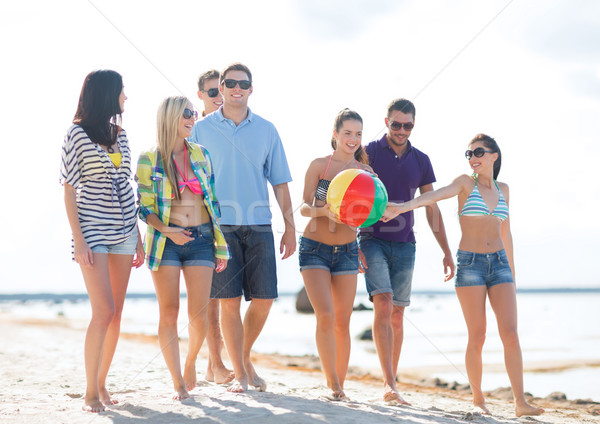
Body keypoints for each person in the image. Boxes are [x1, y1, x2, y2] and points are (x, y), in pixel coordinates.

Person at [382, 134, 544, 418]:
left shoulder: (504, 189)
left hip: (500, 264)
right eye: (468, 154)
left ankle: (520, 402)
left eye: (478, 152)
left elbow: (506, 233)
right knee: (478, 335)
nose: (472, 158)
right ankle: (479, 399)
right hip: (470, 264)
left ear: (494, 155)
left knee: (511, 333)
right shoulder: (464, 183)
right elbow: (434, 195)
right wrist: (402, 207)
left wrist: (513, 276)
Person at [189, 62, 296, 393]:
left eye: (243, 84)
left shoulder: (266, 129)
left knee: (264, 299)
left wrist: (290, 226)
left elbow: (279, 182)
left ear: (251, 89)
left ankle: (242, 359)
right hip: (219, 228)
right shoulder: (201, 129)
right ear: (220, 88)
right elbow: (188, 179)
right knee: (229, 301)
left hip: (260, 225)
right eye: (230, 83)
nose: (237, 88)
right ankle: (240, 373)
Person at [358, 98, 455, 404]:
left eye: (407, 125)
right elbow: (348, 194)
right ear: (386, 122)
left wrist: (446, 251)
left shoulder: (421, 160)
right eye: (396, 124)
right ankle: (388, 384)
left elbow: (431, 207)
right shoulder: (369, 152)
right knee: (383, 305)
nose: (401, 130)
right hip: (371, 239)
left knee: (398, 315)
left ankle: (392, 380)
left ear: (414, 124)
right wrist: (351, 241)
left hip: (406, 245)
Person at [135, 96, 230, 400]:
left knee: (199, 314)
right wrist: (167, 231)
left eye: (193, 113)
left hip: (201, 238)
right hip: (166, 242)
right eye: (187, 113)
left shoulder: (201, 155)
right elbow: (144, 208)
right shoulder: (149, 159)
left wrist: (219, 244)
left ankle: (190, 363)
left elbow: (212, 203)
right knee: (170, 312)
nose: (192, 118)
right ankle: (177, 381)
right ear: (171, 117)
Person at [60, 69, 144, 413]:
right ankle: (89, 392)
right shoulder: (76, 134)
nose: (126, 97)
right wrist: (78, 239)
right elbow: (68, 189)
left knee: (117, 313)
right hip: (92, 230)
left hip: (124, 229)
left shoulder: (121, 136)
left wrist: (137, 236)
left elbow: (127, 187)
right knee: (103, 310)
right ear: (107, 94)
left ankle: (102, 384)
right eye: (122, 91)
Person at [299, 109, 372, 400]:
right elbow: (304, 207)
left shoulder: (365, 174)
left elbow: (371, 214)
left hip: (347, 251)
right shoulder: (319, 166)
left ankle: (339, 384)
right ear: (335, 134)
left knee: (343, 320)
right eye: (347, 133)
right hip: (314, 248)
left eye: (358, 134)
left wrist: (361, 249)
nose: (353, 139)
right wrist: (326, 211)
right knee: (326, 315)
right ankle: (334, 385)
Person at [196, 69, 233, 384]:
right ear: (201, 97)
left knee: (224, 298)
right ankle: (216, 364)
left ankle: (213, 365)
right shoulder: (194, 130)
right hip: (204, 222)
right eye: (212, 93)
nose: (219, 97)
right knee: (210, 299)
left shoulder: (230, 127)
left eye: (220, 91)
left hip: (232, 220)